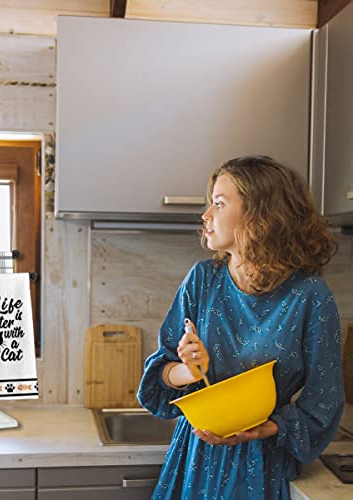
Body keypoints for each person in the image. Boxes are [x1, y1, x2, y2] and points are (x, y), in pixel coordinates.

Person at [137, 155, 344, 499]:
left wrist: (270, 428)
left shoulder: (310, 296)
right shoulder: (202, 280)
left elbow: (326, 398)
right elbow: (159, 378)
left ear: (261, 214)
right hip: (195, 459)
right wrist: (189, 371)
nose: (205, 215)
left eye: (219, 204)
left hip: (263, 464)